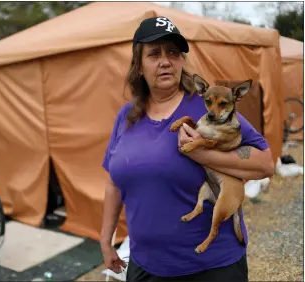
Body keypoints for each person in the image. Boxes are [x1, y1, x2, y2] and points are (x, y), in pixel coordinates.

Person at [100, 16, 275, 282]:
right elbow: (113, 182)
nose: (165, 61)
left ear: (182, 61)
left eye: (173, 52)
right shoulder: (126, 117)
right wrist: (105, 238)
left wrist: (201, 154)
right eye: (154, 54)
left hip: (211, 268)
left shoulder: (207, 108)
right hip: (145, 265)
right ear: (138, 65)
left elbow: (265, 163)